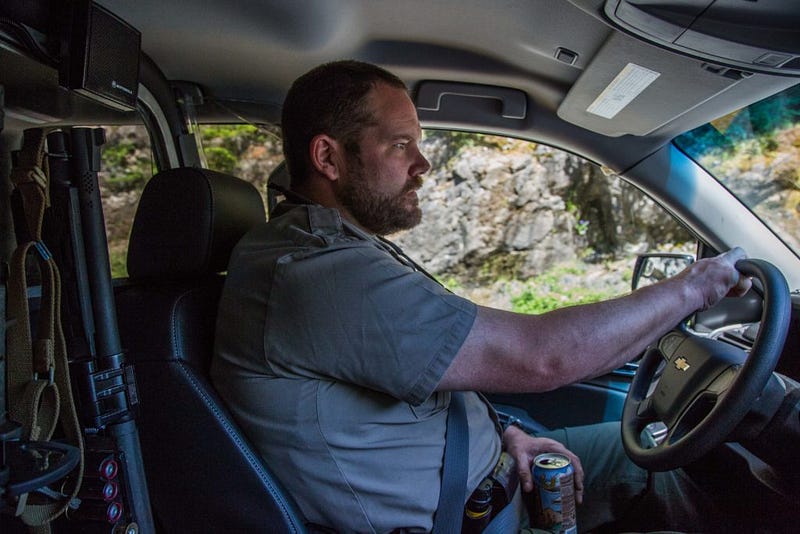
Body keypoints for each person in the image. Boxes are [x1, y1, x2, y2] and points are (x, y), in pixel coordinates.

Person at [210, 60, 750, 533]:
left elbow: (430, 380)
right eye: (401, 146)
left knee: (666, 449)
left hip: (499, 477)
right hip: (472, 519)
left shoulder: (335, 252)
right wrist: (695, 287)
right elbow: (542, 357)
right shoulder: (318, 270)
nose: (422, 165)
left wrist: (508, 435)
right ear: (328, 157)